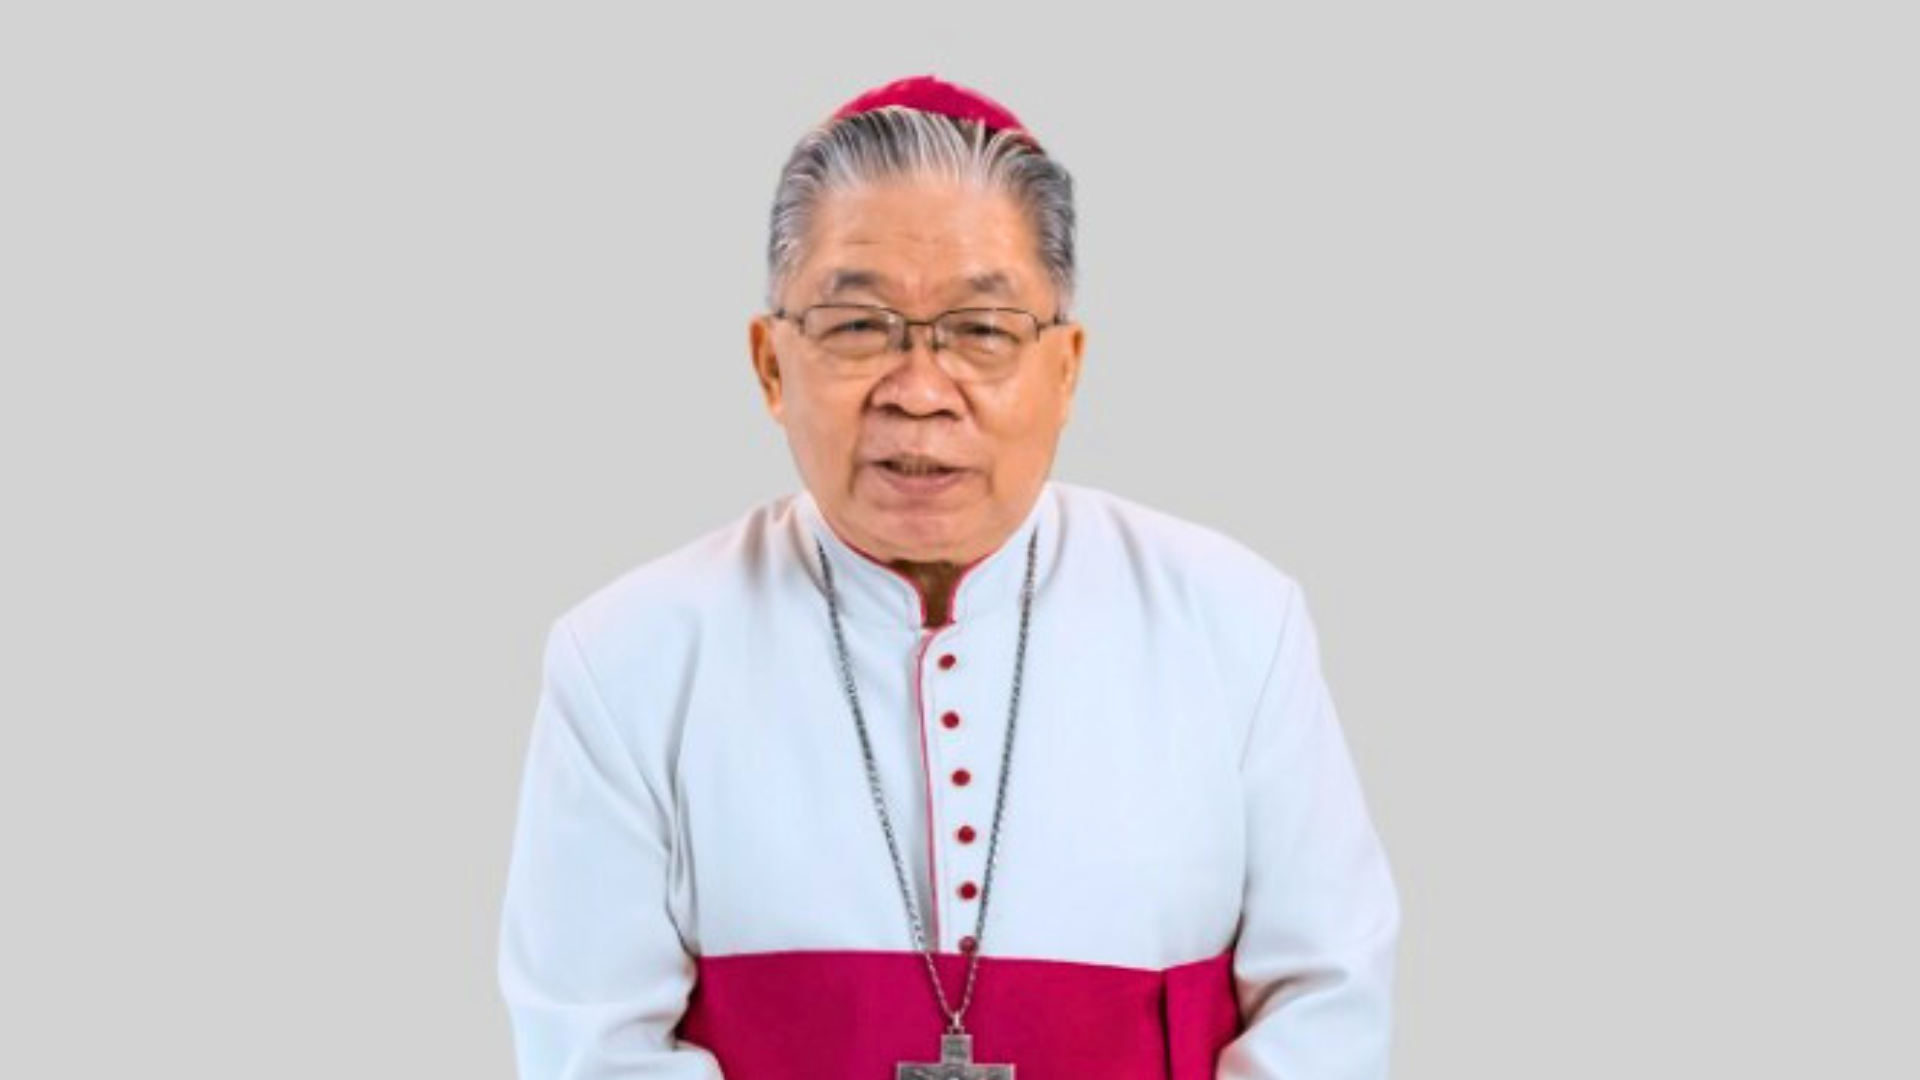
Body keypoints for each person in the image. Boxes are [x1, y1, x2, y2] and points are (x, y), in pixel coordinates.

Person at [495, 73, 1401, 1080]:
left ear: (1066, 368)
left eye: (982, 330)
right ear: (770, 365)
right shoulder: (626, 660)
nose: (920, 392)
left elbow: (1329, 1001)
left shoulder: (1236, 626)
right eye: (856, 326)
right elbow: (591, 1048)